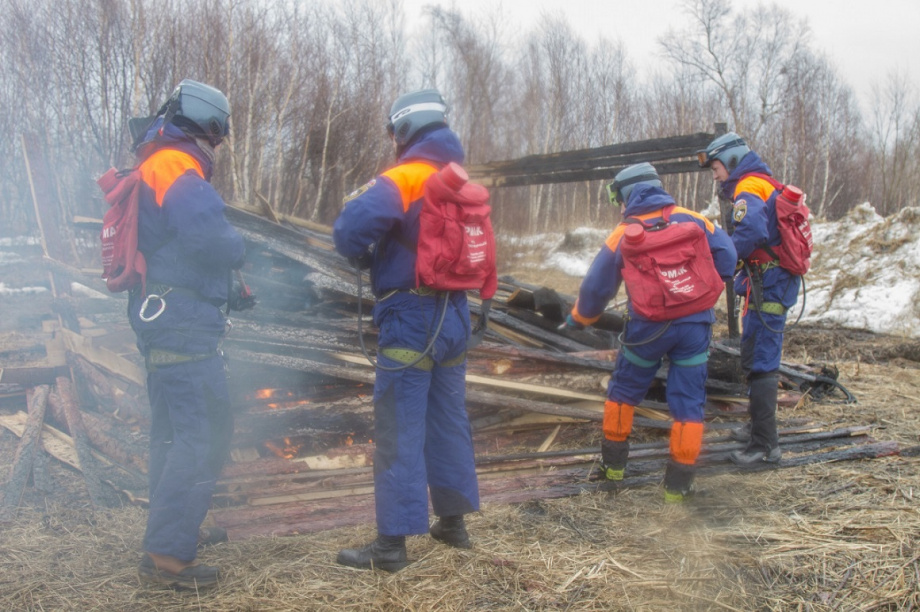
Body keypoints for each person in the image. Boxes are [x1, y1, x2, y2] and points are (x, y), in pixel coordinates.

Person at [332, 88, 481, 571]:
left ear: (402, 130)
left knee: (399, 427)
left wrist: (367, 250)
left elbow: (348, 230)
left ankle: (390, 548)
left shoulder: (407, 176)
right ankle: (452, 524)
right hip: (455, 315)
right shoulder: (456, 178)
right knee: (448, 421)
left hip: (412, 319)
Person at [127, 79, 247, 588]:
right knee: (204, 434)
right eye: (217, 134)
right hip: (181, 325)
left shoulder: (155, 159)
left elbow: (178, 248)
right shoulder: (177, 164)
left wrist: (226, 289)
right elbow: (210, 236)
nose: (216, 144)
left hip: (164, 315)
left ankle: (168, 536)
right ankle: (170, 556)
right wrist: (242, 249)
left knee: (173, 435)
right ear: (208, 124)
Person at [562, 162, 737, 501]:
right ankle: (678, 487)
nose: (620, 208)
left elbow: (596, 289)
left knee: (624, 392)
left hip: (647, 330)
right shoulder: (693, 218)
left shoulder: (623, 233)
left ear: (627, 195)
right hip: (695, 327)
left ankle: (613, 471)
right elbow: (728, 255)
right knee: (688, 404)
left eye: (619, 200)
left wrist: (580, 318)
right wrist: (695, 288)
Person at [697, 132, 802, 466]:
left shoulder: (749, 187)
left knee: (763, 360)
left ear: (731, 160)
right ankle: (756, 428)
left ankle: (765, 446)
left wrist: (719, 262)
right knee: (753, 353)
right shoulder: (758, 183)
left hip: (770, 282)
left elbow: (750, 232)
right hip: (765, 280)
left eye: (715, 167)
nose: (714, 175)